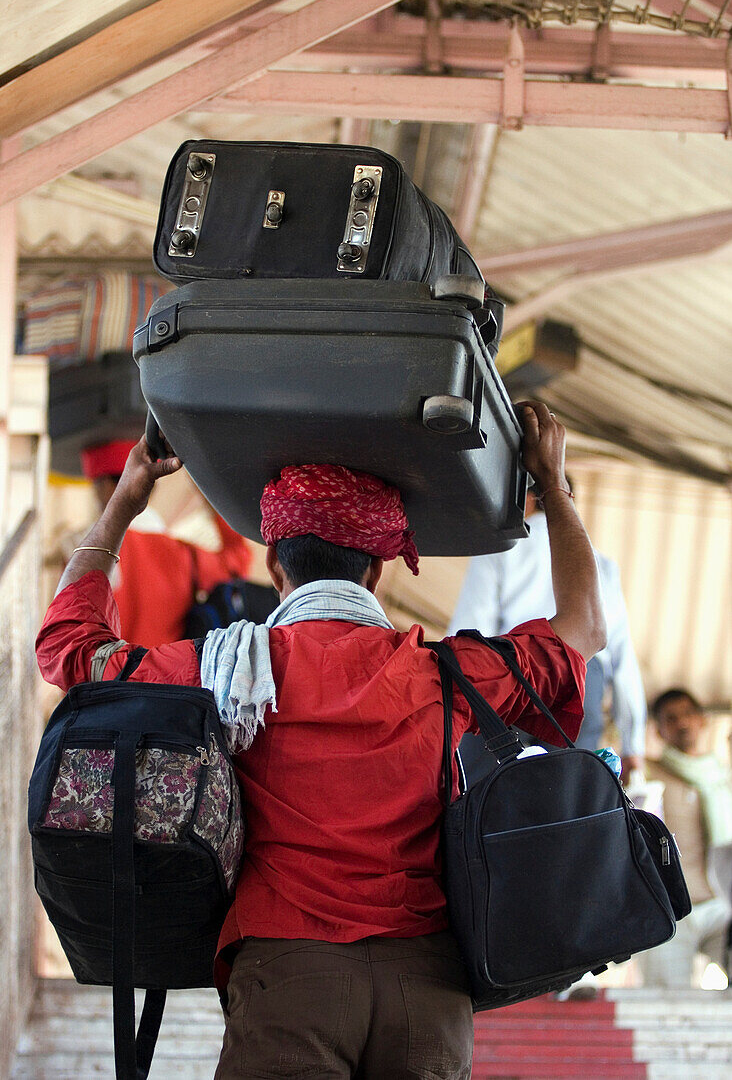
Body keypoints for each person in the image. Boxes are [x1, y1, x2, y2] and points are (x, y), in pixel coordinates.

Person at [36, 402, 606, 1079]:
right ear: (378, 571)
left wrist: (126, 501)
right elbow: (583, 629)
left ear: (274, 561)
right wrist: (554, 488)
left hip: (288, 978)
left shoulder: (218, 669)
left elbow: (68, 647)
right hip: (427, 989)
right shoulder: (446, 673)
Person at [449, 482, 646, 786]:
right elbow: (622, 662)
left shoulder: (501, 548)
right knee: (569, 795)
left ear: (524, 498)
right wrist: (633, 744)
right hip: (580, 677)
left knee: (485, 790)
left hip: (507, 670)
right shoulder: (601, 565)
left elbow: (471, 627)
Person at [79, 438, 253, 645]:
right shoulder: (185, 558)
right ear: (151, 487)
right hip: (156, 674)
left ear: (105, 488)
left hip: (99, 675)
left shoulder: (82, 554)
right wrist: (203, 482)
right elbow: (238, 560)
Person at [638, 688, 732, 989]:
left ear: (702, 720)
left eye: (688, 714)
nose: (682, 723)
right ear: (659, 731)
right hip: (671, 911)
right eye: (671, 718)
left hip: (722, 907)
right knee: (666, 1005)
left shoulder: (722, 777)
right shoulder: (648, 776)